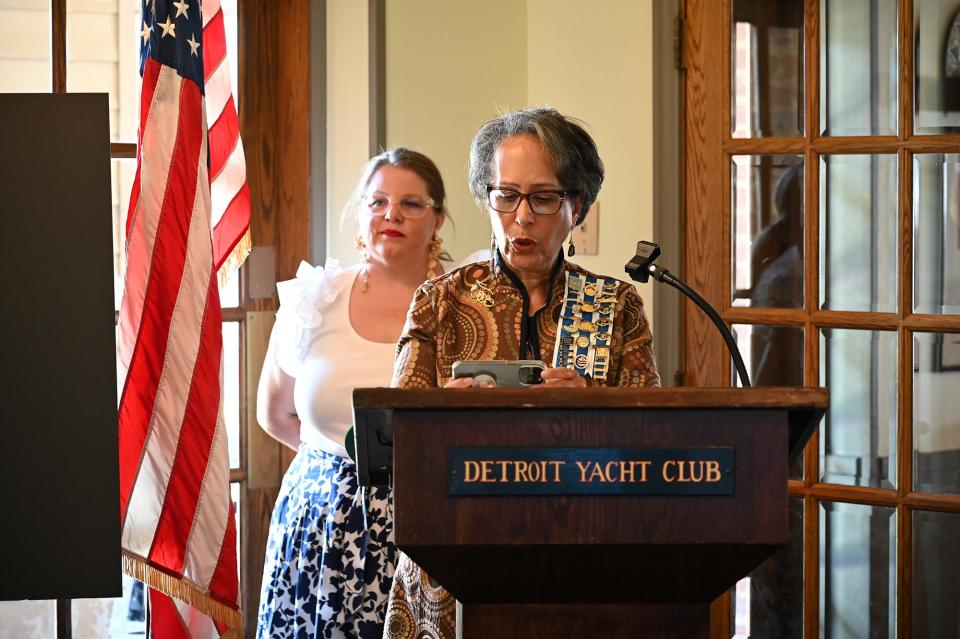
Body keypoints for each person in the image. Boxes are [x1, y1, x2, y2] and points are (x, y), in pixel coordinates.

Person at [382, 107, 661, 639]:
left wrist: (594, 404)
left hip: (583, 555)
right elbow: (392, 439)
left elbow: (653, 447)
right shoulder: (439, 302)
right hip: (453, 560)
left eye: (543, 197)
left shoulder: (614, 305)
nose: (522, 216)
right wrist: (443, 410)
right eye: (505, 195)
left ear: (576, 205)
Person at [256, 148, 452, 638]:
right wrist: (335, 475)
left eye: (411, 204)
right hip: (317, 531)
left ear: (438, 219)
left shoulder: (465, 306)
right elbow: (275, 414)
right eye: (378, 201)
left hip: (429, 532)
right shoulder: (315, 299)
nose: (392, 214)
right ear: (360, 214)